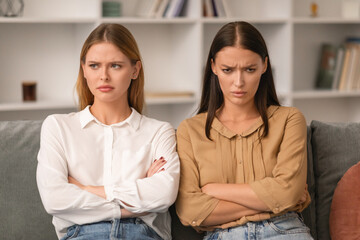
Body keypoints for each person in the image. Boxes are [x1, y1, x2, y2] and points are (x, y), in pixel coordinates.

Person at [36, 23, 180, 240]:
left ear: (135, 70)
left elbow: (163, 193)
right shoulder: (57, 127)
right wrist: (131, 207)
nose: (103, 76)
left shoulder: (159, 131)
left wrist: (85, 188)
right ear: (83, 69)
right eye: (94, 65)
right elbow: (54, 198)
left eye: (115, 66)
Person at [175, 21, 312, 239]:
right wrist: (274, 202)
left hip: (284, 230)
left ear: (264, 66)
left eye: (250, 69)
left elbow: (288, 192)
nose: (238, 82)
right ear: (213, 67)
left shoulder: (289, 120)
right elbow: (190, 210)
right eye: (227, 70)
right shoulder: (190, 131)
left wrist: (213, 190)